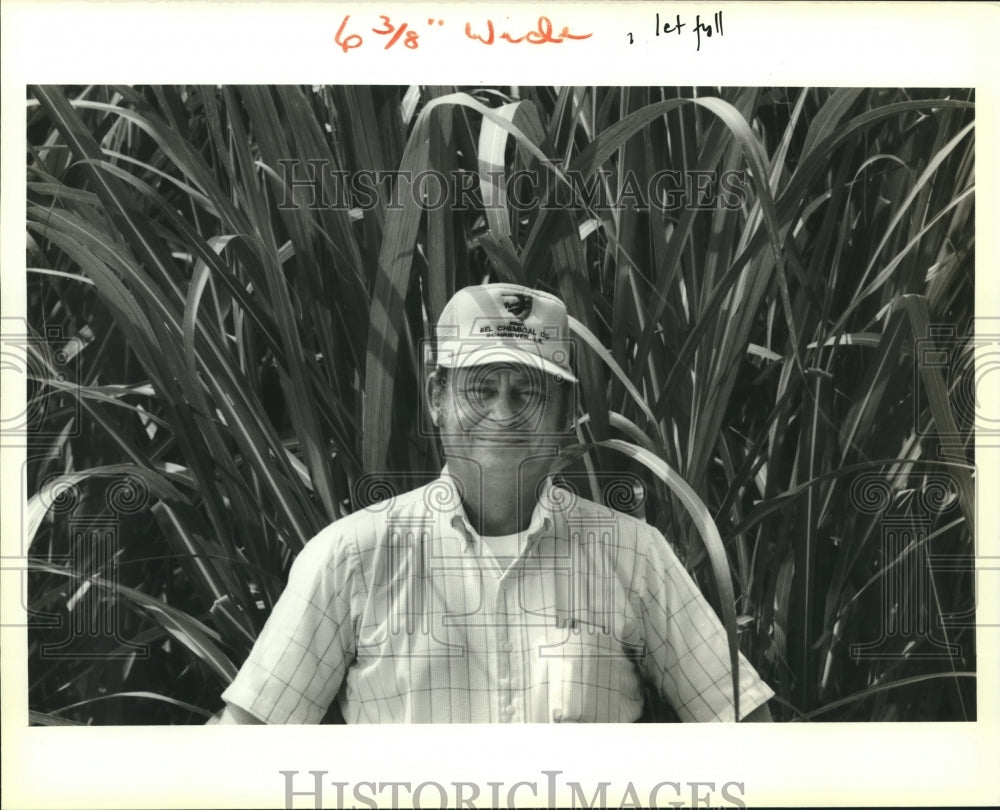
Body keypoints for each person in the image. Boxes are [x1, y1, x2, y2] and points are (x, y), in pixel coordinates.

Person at [216, 283, 773, 723]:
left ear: (564, 413)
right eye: (481, 388)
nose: (504, 414)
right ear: (437, 398)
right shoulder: (351, 558)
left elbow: (747, 730)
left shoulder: (634, 556)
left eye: (528, 392)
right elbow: (243, 747)